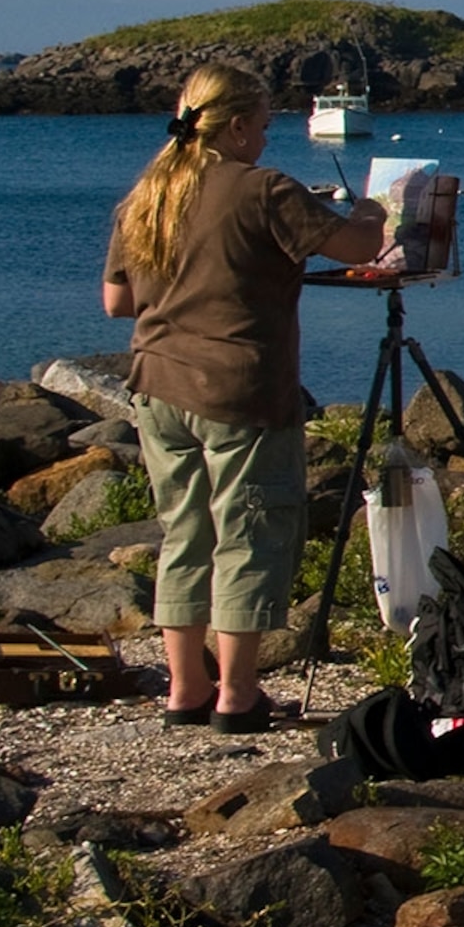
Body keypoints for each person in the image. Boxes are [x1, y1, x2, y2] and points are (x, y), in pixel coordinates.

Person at [102, 64, 383, 730]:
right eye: (261, 124)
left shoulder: (150, 193)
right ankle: (236, 694)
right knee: (249, 533)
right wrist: (373, 208)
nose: (266, 136)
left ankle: (185, 688)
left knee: (184, 533)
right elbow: (359, 245)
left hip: (157, 383)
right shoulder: (263, 191)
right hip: (239, 387)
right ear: (234, 127)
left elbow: (117, 301)